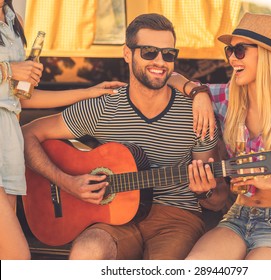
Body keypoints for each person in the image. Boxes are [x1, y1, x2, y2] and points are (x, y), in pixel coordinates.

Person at [22, 13, 228, 260]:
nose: (160, 62)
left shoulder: (195, 115)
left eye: (168, 54)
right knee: (87, 252)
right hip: (111, 216)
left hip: (176, 219)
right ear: (128, 54)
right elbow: (28, 134)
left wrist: (205, 192)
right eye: (149, 52)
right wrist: (66, 183)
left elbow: (217, 201)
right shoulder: (103, 107)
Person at [169, 12, 271, 260]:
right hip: (238, 216)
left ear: (268, 55)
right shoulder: (226, 99)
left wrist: (263, 181)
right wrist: (197, 92)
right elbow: (169, 77)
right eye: (229, 51)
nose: (232, 59)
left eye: (239, 50)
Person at [0, 0, 122, 260]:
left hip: (9, 140)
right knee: (16, 258)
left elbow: (21, 98)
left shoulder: (14, 21)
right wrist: (9, 70)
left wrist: (87, 93)